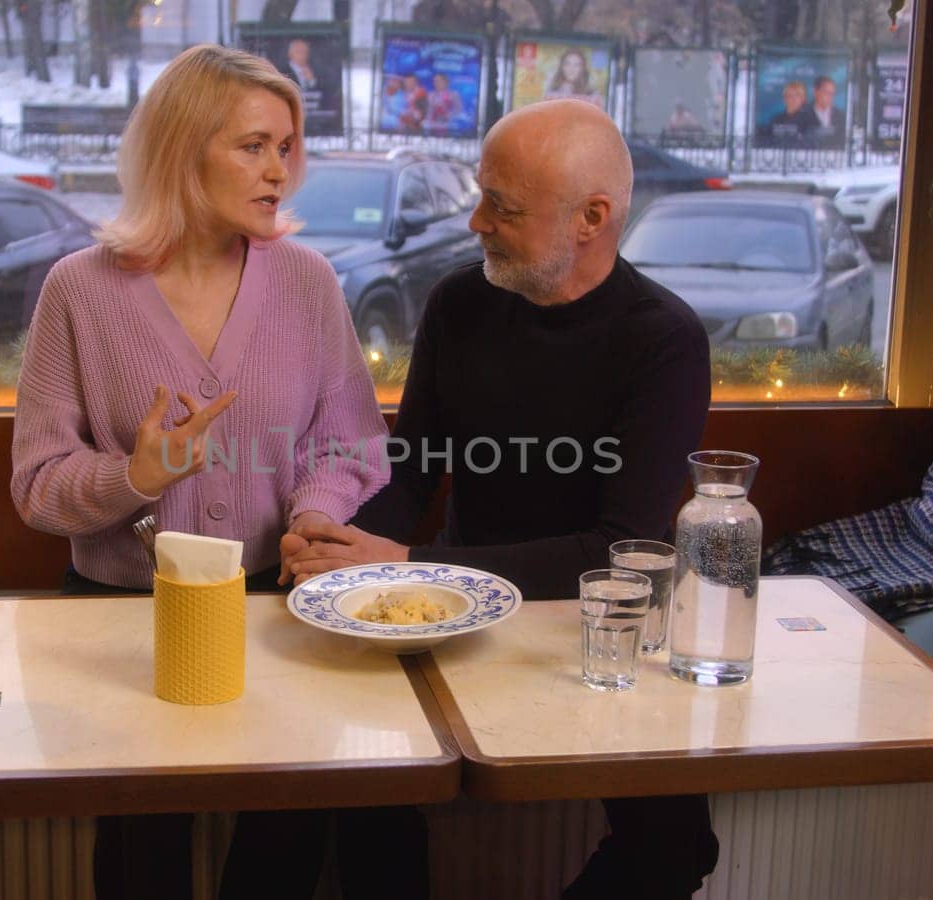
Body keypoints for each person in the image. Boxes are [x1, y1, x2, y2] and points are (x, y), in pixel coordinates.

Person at [281, 99, 719, 899]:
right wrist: (337, 545)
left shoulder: (665, 340)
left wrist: (410, 564)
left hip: (600, 629)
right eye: (481, 194)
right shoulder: (459, 303)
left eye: (502, 206)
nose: (475, 220)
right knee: (365, 791)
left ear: (592, 218)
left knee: (677, 844)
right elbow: (408, 471)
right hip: (453, 613)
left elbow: (616, 550)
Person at [10, 44, 399, 899]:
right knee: (141, 859)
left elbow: (346, 441)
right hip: (126, 622)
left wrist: (313, 514)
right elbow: (38, 485)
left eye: (287, 147)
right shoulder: (79, 292)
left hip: (278, 610)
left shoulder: (307, 281)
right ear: (185, 151)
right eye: (253, 146)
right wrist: (136, 478)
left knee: (286, 849)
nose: (279, 172)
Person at [761, 79, 808, 147]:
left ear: (803, 99)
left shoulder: (810, 119)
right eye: (790, 96)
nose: (793, 99)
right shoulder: (776, 119)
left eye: (797, 95)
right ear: (784, 99)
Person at [805, 75, 846, 148]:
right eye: (826, 92)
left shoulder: (841, 116)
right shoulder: (803, 113)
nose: (830, 97)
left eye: (832, 93)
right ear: (815, 92)